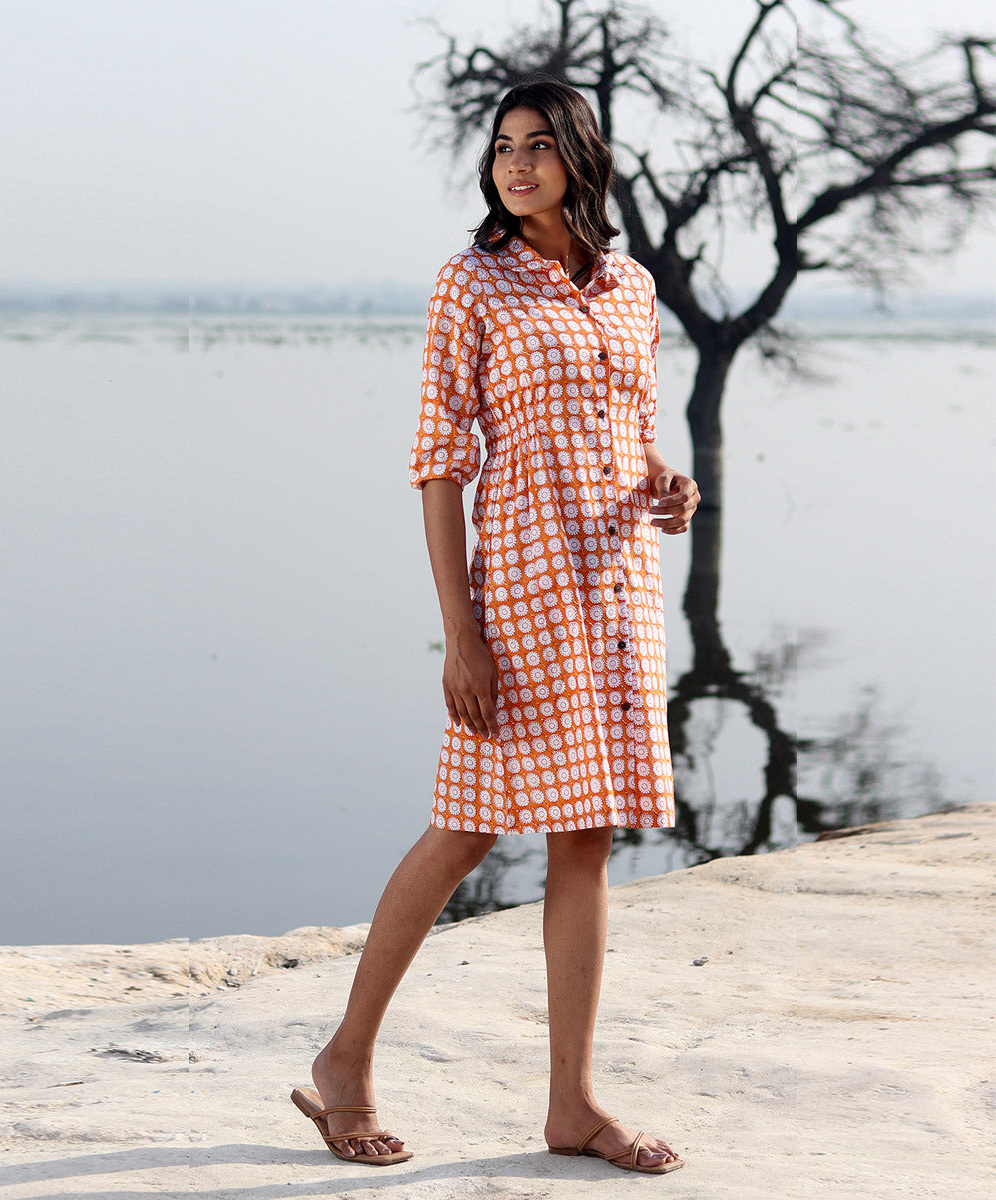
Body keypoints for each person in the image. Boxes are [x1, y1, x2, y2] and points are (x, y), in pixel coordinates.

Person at [291, 78, 699, 1176]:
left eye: (535, 145)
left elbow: (629, 432)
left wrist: (667, 486)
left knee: (585, 840)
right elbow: (439, 466)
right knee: (465, 825)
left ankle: (571, 1105)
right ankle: (347, 1061)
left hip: (614, 593)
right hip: (516, 594)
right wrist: (459, 631)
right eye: (501, 148)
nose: (514, 164)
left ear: (578, 156)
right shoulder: (469, 281)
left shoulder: (629, 288)